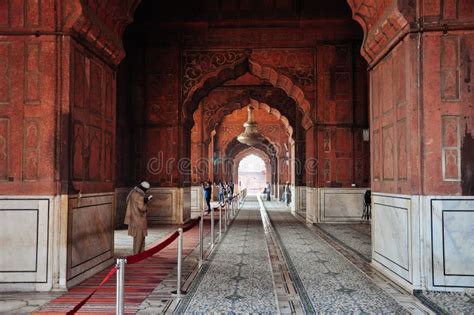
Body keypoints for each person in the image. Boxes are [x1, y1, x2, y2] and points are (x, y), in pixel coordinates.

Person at [124, 181, 153, 254]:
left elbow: (128, 200)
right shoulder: (139, 195)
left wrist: (145, 199)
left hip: (134, 218)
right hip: (138, 219)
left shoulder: (133, 192)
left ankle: (140, 253)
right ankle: (137, 254)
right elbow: (142, 208)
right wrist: (148, 200)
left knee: (139, 237)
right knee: (139, 239)